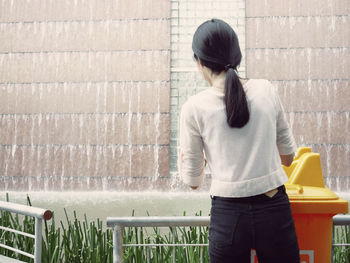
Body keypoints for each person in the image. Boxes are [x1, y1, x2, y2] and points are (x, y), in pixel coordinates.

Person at [178, 19, 300, 263]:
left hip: (228, 216)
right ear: (238, 55)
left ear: (200, 63)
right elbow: (288, 158)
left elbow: (192, 181)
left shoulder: (194, 108)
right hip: (273, 206)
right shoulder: (266, 90)